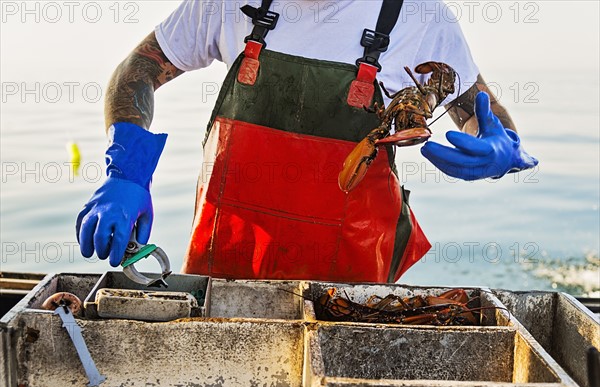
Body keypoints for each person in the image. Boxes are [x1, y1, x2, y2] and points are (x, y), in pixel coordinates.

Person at [76, 0, 537, 283]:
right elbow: (137, 71)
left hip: (356, 283)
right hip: (227, 264)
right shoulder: (226, 2)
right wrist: (126, 171)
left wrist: (502, 147)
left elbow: (479, 111)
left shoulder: (420, 17)